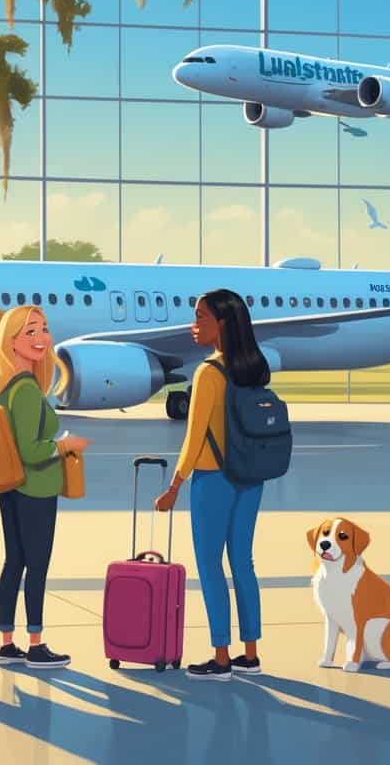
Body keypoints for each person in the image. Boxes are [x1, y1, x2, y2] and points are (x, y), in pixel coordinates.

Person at [155, 289, 270, 682]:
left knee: (209, 566)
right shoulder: (255, 367)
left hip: (213, 477)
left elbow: (194, 435)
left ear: (221, 323)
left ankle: (221, 656)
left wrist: (174, 485)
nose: (193, 324)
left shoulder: (209, 372)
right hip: (250, 477)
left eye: (201, 316)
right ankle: (250, 653)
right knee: (243, 562)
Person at [0, 306, 88, 669]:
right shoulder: (26, 389)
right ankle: (36, 645)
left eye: (44, 329)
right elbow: (30, 449)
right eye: (30, 332)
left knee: (13, 560)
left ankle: (6, 643)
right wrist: (66, 444)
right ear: (10, 341)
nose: (41, 338)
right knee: (37, 565)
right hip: (35, 487)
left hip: (7, 485)